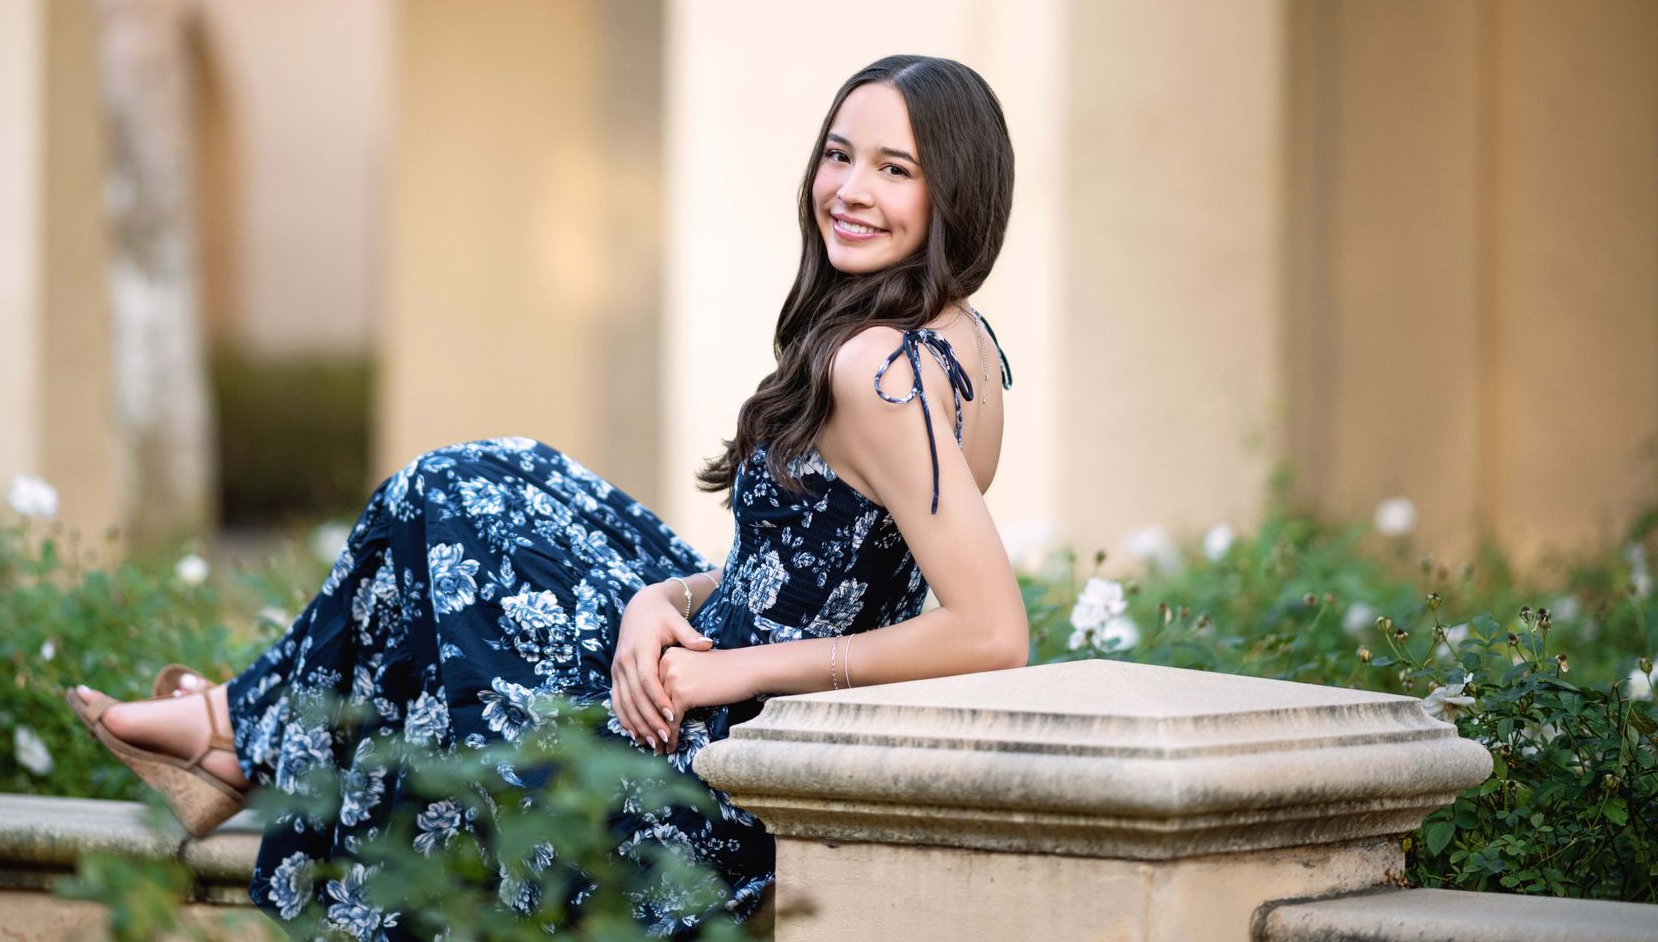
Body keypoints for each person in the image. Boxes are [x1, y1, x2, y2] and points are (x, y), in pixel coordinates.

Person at [66, 53, 1031, 938]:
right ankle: (240, 728)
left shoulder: (877, 369)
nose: (850, 192)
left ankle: (236, 736)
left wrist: (727, 675)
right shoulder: (963, 343)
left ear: (956, 189)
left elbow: (991, 631)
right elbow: (822, 565)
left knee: (445, 499)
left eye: (894, 170)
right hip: (717, 671)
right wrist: (663, 601)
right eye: (838, 155)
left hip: (705, 755)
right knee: (511, 470)